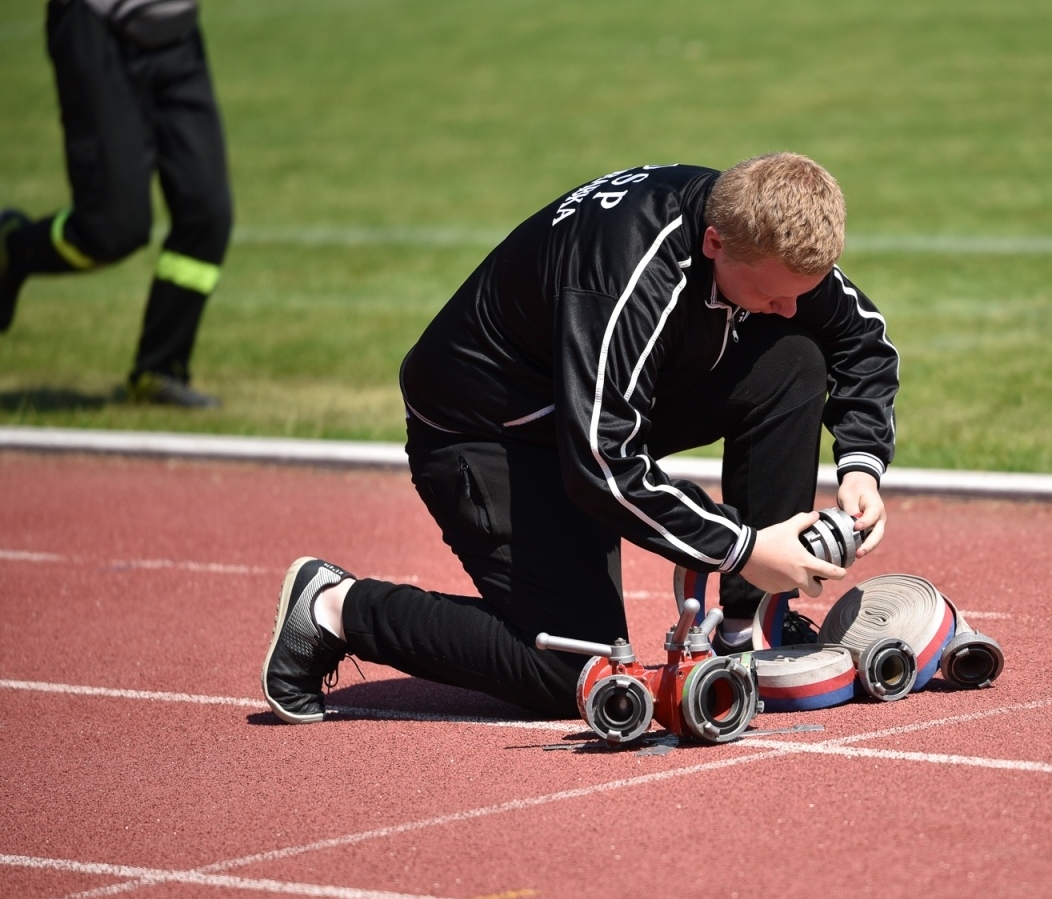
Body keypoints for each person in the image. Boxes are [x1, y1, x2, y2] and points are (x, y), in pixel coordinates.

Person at [262, 154, 899, 723]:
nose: (787, 307)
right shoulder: (629, 279)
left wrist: (862, 465)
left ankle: (747, 626)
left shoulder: (752, 231)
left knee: (793, 358)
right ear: (714, 243)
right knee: (578, 668)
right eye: (770, 294)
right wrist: (741, 546)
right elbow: (601, 464)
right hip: (486, 437)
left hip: (589, 407)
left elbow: (861, 338)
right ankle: (335, 608)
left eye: (799, 293)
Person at [0, 0, 232, 408]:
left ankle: (159, 370)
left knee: (208, 214)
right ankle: (13, 247)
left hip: (173, 20)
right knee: (111, 229)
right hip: (97, 21)